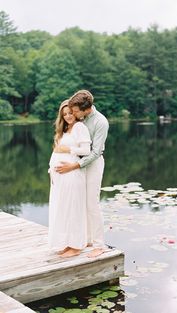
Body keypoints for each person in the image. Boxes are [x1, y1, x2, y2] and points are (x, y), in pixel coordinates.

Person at [55, 90, 109, 258]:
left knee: (92, 204)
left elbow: (95, 152)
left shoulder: (101, 122)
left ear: (87, 108)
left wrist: (74, 166)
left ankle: (99, 245)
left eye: (76, 111)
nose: (74, 114)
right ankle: (84, 240)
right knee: (79, 202)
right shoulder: (80, 118)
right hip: (77, 164)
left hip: (92, 164)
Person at [48, 99, 91, 258]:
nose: (68, 116)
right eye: (64, 114)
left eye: (70, 113)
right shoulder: (65, 129)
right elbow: (57, 152)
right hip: (60, 178)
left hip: (72, 174)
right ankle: (65, 243)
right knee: (63, 209)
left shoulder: (80, 127)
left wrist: (69, 149)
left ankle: (76, 246)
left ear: (76, 112)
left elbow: (87, 150)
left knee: (73, 208)